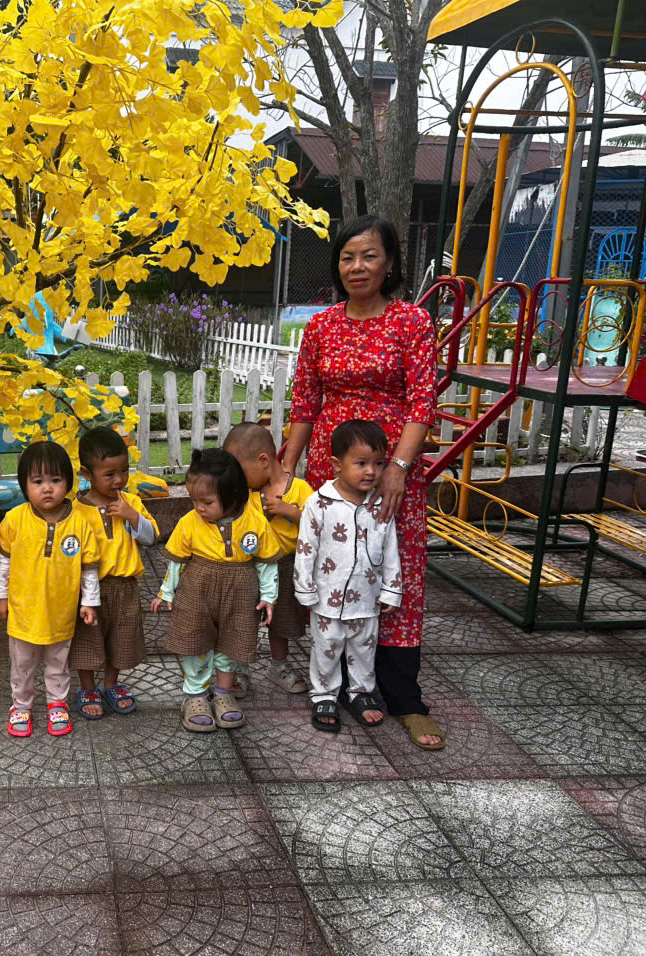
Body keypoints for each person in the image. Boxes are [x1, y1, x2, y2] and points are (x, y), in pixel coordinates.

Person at [282, 213, 445, 751]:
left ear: (390, 263)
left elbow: (422, 402)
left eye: (369, 255)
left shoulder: (411, 323)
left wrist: (398, 466)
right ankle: (334, 684)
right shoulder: (321, 327)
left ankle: (403, 696)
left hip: (392, 470)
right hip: (331, 469)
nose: (357, 266)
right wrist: (287, 467)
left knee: (395, 571)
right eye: (347, 257)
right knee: (332, 570)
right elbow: (305, 402)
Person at [151, 449, 280, 733]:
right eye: (194, 500)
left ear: (233, 495)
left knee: (233, 642)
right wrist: (166, 592)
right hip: (197, 592)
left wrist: (269, 597)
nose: (198, 507)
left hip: (241, 594)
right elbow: (176, 563)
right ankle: (196, 696)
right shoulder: (189, 522)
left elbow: (266, 563)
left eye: (207, 502)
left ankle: (223, 693)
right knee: (195, 642)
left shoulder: (255, 521)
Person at [294, 420, 403, 733]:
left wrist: (391, 590)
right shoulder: (319, 503)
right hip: (326, 600)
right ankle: (324, 695)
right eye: (361, 463)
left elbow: (391, 548)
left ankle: (360, 692)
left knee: (364, 650)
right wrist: (305, 589)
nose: (371, 472)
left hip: (367, 599)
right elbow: (306, 549)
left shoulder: (380, 505)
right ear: (336, 464)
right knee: (326, 649)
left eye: (378, 464)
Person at [0, 441, 101, 738]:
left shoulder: (80, 522)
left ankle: (57, 704)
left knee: (58, 663)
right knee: (22, 665)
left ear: (68, 482)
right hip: (23, 613)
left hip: (61, 612)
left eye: (55, 480)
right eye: (38, 481)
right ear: (24, 485)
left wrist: (89, 602)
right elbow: (4, 562)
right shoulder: (15, 519)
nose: (47, 488)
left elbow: (89, 568)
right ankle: (21, 706)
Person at [71, 427, 159, 719]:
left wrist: (132, 516)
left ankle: (111, 684)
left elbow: (151, 538)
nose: (119, 479)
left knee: (121, 639)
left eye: (124, 470)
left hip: (124, 587)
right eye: (109, 474)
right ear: (87, 473)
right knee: (86, 641)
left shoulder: (132, 503)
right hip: (88, 590)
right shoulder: (75, 510)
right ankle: (87, 687)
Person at [224, 421, 313, 695]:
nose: (237, 479)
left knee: (281, 621)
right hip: (251, 567)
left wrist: (291, 512)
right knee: (243, 619)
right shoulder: (247, 494)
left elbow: (318, 525)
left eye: (241, 472)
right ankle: (240, 668)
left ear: (263, 460)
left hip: (286, 566)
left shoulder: (299, 489)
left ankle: (279, 666)